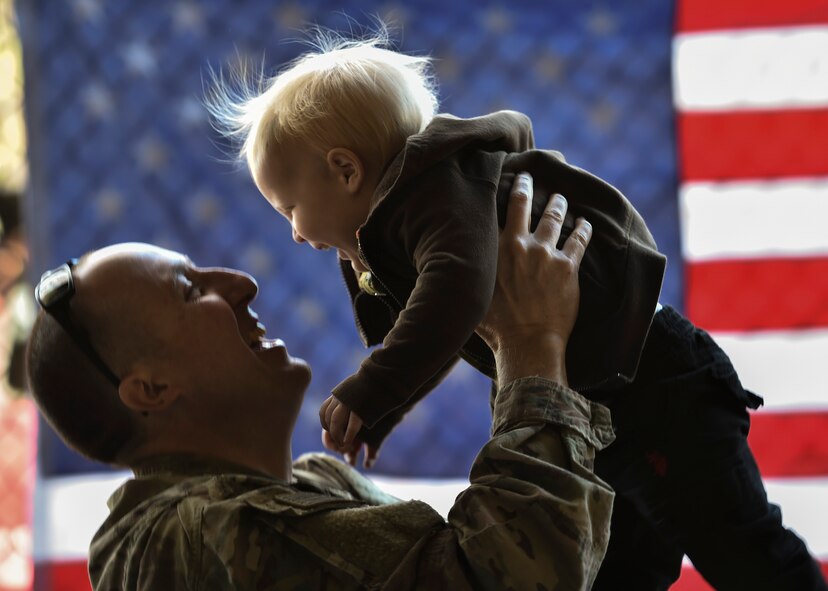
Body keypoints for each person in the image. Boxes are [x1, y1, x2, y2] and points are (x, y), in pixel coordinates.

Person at [209, 32, 828, 591]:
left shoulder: (435, 197)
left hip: (661, 395)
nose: (293, 234)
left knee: (745, 554)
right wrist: (382, 411)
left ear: (345, 171)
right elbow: (430, 323)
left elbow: (452, 300)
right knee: (614, 572)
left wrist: (372, 393)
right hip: (605, 411)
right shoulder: (414, 214)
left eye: (289, 208)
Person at [26, 182, 616, 589]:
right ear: (149, 390)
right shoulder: (203, 534)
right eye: (189, 290)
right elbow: (510, 575)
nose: (241, 284)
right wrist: (532, 342)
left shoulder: (309, 480)